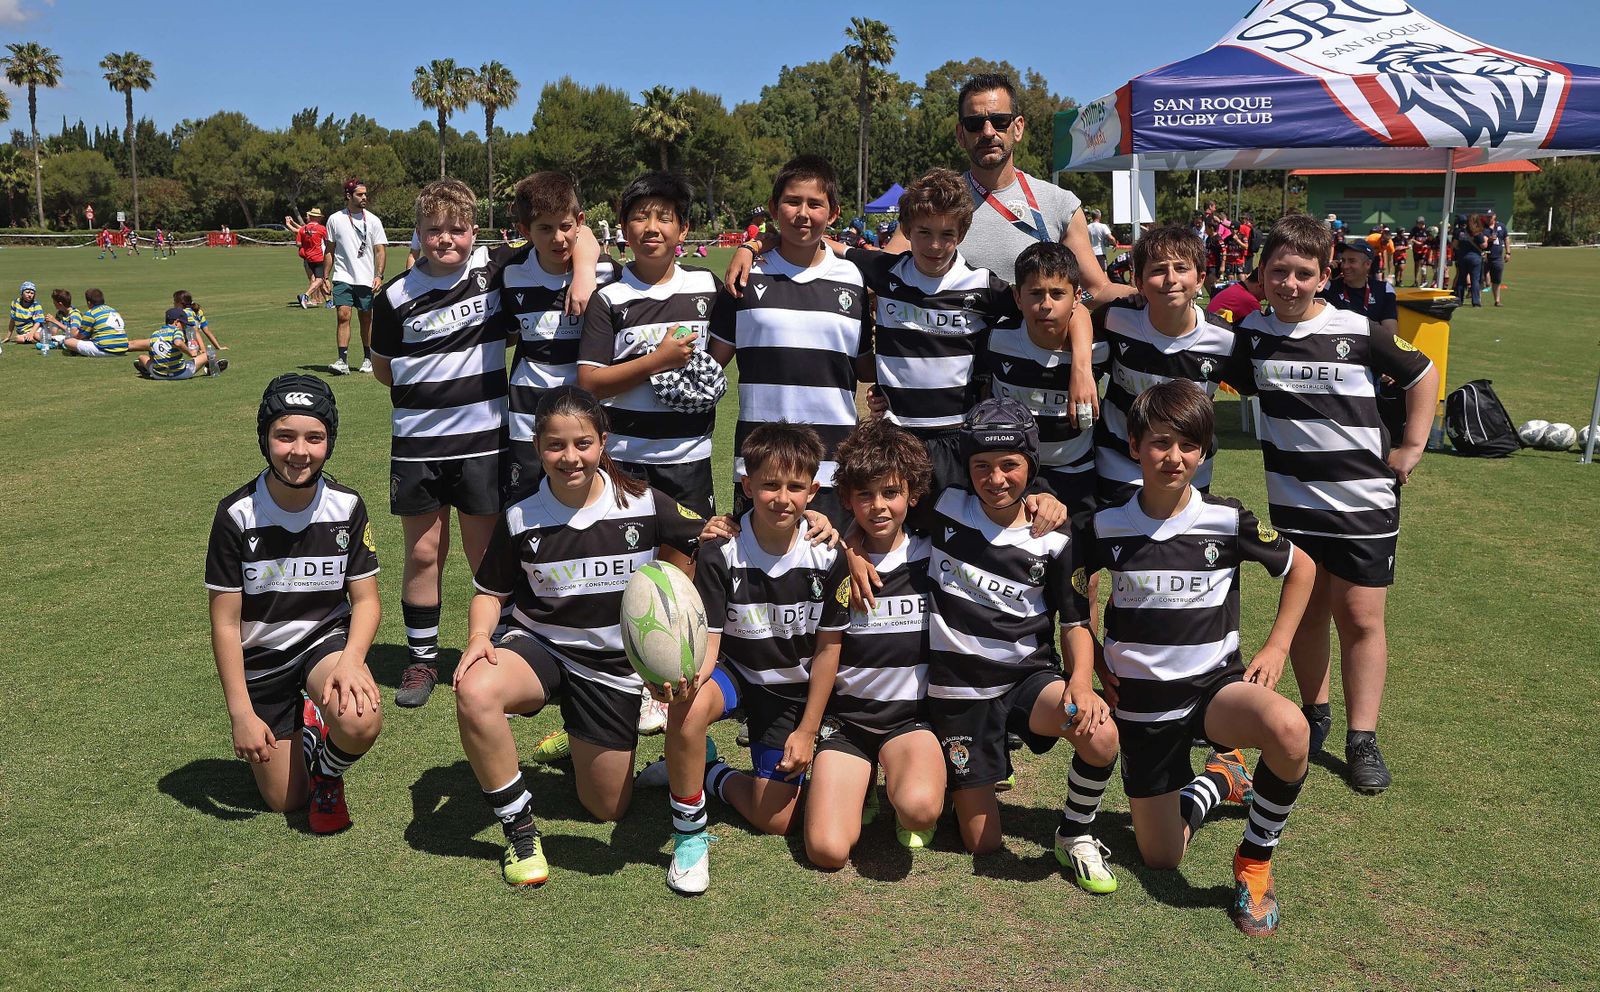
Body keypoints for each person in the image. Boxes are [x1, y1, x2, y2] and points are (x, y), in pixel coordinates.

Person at [1085, 379, 1314, 936]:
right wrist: (1093, 653)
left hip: (1214, 690)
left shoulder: (1227, 520)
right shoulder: (1105, 524)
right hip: (1141, 707)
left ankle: (1255, 860)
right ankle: (1217, 780)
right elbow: (1073, 589)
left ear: (1204, 451)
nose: (1174, 457)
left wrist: (1277, 644)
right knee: (1162, 857)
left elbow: (1301, 566)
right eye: (1160, 442)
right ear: (1135, 443)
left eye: (1188, 445)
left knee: (1289, 729)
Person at [454, 385, 703, 887]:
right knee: (475, 689)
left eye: (583, 444)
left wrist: (671, 632)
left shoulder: (644, 501)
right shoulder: (521, 516)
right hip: (540, 646)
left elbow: (698, 540)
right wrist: (480, 635)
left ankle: (577, 739)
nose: (570, 458)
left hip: (611, 668)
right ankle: (520, 833)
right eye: (556, 446)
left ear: (602, 443)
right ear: (537, 447)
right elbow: (489, 591)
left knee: (608, 808)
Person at [1234, 215, 1440, 795]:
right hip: (1294, 506)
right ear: (1262, 273)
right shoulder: (1251, 335)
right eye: (1279, 272)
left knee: (1360, 618)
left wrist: (1412, 446)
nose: (1291, 284)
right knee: (1307, 612)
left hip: (1363, 505)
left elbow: (1423, 374)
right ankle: (1316, 712)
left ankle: (1362, 737)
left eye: (1304, 273)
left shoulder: (1359, 329)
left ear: (1326, 276)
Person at [635, 423, 848, 894]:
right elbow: (709, 645)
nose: (782, 498)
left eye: (795, 486)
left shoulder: (828, 555)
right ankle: (689, 836)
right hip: (735, 671)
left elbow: (829, 648)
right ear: (747, 485)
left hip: (790, 688)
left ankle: (707, 771)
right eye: (769, 484)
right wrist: (687, 687)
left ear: (814, 490)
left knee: (776, 819)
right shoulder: (720, 551)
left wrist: (808, 729)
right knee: (686, 709)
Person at [922, 398, 1119, 892]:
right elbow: (875, 498)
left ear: (1031, 465)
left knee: (1100, 735)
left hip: (1025, 678)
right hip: (959, 690)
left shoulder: (1054, 536)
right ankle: (950, 775)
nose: (996, 478)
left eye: (1011, 465)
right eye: (982, 466)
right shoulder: (943, 507)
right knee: (982, 844)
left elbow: (1074, 622)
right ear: (966, 468)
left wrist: (1080, 681)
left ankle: (1075, 833)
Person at [205, 374, 382, 834]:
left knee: (359, 719)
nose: (299, 451)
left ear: (330, 442)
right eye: (284, 435)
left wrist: (352, 660)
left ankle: (328, 772)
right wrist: (241, 713)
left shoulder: (346, 506)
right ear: (265, 438)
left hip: (324, 644)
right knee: (285, 800)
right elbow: (225, 624)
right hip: (262, 659)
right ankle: (306, 724)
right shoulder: (236, 515)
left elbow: (365, 601)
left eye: (314, 437)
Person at [370, 179, 510, 710]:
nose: (445, 240)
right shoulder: (394, 297)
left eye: (456, 230)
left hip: (481, 443)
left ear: (474, 231)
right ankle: (422, 660)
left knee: (485, 555)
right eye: (434, 230)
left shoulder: (493, 273)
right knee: (424, 552)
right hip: (418, 447)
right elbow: (385, 370)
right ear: (418, 233)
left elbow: (579, 237)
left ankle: (494, 649)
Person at [801, 419, 944, 866]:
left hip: (910, 720)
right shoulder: (832, 558)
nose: (878, 506)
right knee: (827, 851)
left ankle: (908, 791)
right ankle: (861, 784)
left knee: (919, 808)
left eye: (891, 493)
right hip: (849, 721)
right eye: (865, 495)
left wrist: (1043, 498)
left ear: (913, 495)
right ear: (847, 499)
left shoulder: (935, 554)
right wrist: (849, 549)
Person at [708, 155, 870, 528]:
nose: (803, 213)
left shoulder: (854, 279)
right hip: (761, 468)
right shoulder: (744, 277)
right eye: (792, 201)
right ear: (773, 208)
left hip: (833, 467)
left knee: (829, 577)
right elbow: (711, 368)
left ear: (833, 214)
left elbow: (864, 366)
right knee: (760, 578)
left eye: (815, 204)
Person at [577, 171, 729, 517]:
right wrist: (658, 361)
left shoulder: (706, 285)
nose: (652, 227)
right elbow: (589, 383)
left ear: (683, 229)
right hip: (625, 457)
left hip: (690, 455)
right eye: (640, 216)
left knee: (686, 563)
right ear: (623, 227)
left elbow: (720, 352)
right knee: (630, 567)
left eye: (664, 217)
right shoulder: (609, 298)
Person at [1092, 224, 1243, 508]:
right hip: (1118, 459)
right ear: (1138, 281)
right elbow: (1076, 321)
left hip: (1188, 467)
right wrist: (1082, 374)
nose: (1170, 279)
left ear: (1200, 279)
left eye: (1181, 268)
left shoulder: (1225, 340)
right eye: (1158, 270)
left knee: (1177, 547)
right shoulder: (1116, 318)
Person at [499, 172, 609, 504]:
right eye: (544, 229)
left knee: (589, 507)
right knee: (526, 511)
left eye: (565, 226)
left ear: (579, 222)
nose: (558, 238)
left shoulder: (607, 274)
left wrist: (585, 271)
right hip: (526, 419)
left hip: (587, 419)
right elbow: (508, 334)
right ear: (524, 231)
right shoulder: (510, 274)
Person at [982, 241, 1107, 525]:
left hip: (1075, 472)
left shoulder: (1099, 350)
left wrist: (1081, 367)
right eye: (1035, 293)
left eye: (1057, 294)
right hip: (1014, 475)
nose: (1046, 305)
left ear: (1076, 297)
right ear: (1017, 297)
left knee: (1079, 560)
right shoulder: (995, 341)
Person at [321, 179, 389, 374]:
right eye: (360, 194)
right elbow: (330, 250)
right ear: (348, 196)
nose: (365, 197)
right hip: (343, 276)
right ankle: (342, 361)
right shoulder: (335, 219)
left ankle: (368, 358)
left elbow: (380, 250)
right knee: (343, 315)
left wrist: (379, 275)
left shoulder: (374, 220)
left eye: (365, 194)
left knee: (366, 318)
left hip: (366, 278)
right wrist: (325, 276)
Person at [134, 309, 227, 378]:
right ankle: (211, 368)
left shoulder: (155, 333)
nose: (184, 326)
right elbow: (178, 343)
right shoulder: (177, 331)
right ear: (176, 322)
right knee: (209, 354)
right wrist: (190, 353)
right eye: (183, 324)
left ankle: (147, 371)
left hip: (158, 375)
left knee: (141, 357)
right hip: (180, 374)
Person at [61, 288, 130, 358]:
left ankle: (79, 353)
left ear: (89, 303)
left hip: (106, 349)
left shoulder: (90, 313)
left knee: (68, 342)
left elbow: (79, 337)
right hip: (123, 348)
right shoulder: (113, 310)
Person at [287, 207, 329, 308]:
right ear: (318, 218)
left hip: (308, 257)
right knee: (319, 279)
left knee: (316, 279)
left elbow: (298, 243)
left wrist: (289, 224)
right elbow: (328, 242)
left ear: (311, 217)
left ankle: (327, 301)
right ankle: (306, 296)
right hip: (319, 257)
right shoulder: (321, 228)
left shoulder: (303, 229)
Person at [1452, 214, 1484, 307]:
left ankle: (1459, 300)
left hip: (1463, 257)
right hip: (1475, 258)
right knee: (1475, 280)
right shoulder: (1477, 232)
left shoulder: (1459, 232)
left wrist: (1462, 249)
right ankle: (1476, 301)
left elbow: (1454, 245)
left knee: (1461, 280)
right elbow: (1483, 245)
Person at [7, 281, 47, 348]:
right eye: (27, 292)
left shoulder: (36, 305)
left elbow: (38, 322)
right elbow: (12, 320)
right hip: (23, 332)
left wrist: (31, 333)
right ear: (22, 293)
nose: (30, 295)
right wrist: (8, 336)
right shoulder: (15, 303)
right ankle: (38, 340)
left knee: (36, 335)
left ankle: (51, 341)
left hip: (36, 329)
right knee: (18, 339)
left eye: (32, 293)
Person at [1484, 209, 1509, 306]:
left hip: (1497, 257)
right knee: (1480, 279)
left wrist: (1508, 252)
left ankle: (1497, 300)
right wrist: (1489, 240)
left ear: (1494, 216)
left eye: (1491, 216)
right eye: (1487, 216)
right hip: (1485, 256)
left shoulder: (1501, 226)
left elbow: (1506, 238)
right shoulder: (1483, 228)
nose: (1489, 218)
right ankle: (1478, 301)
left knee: (1497, 280)